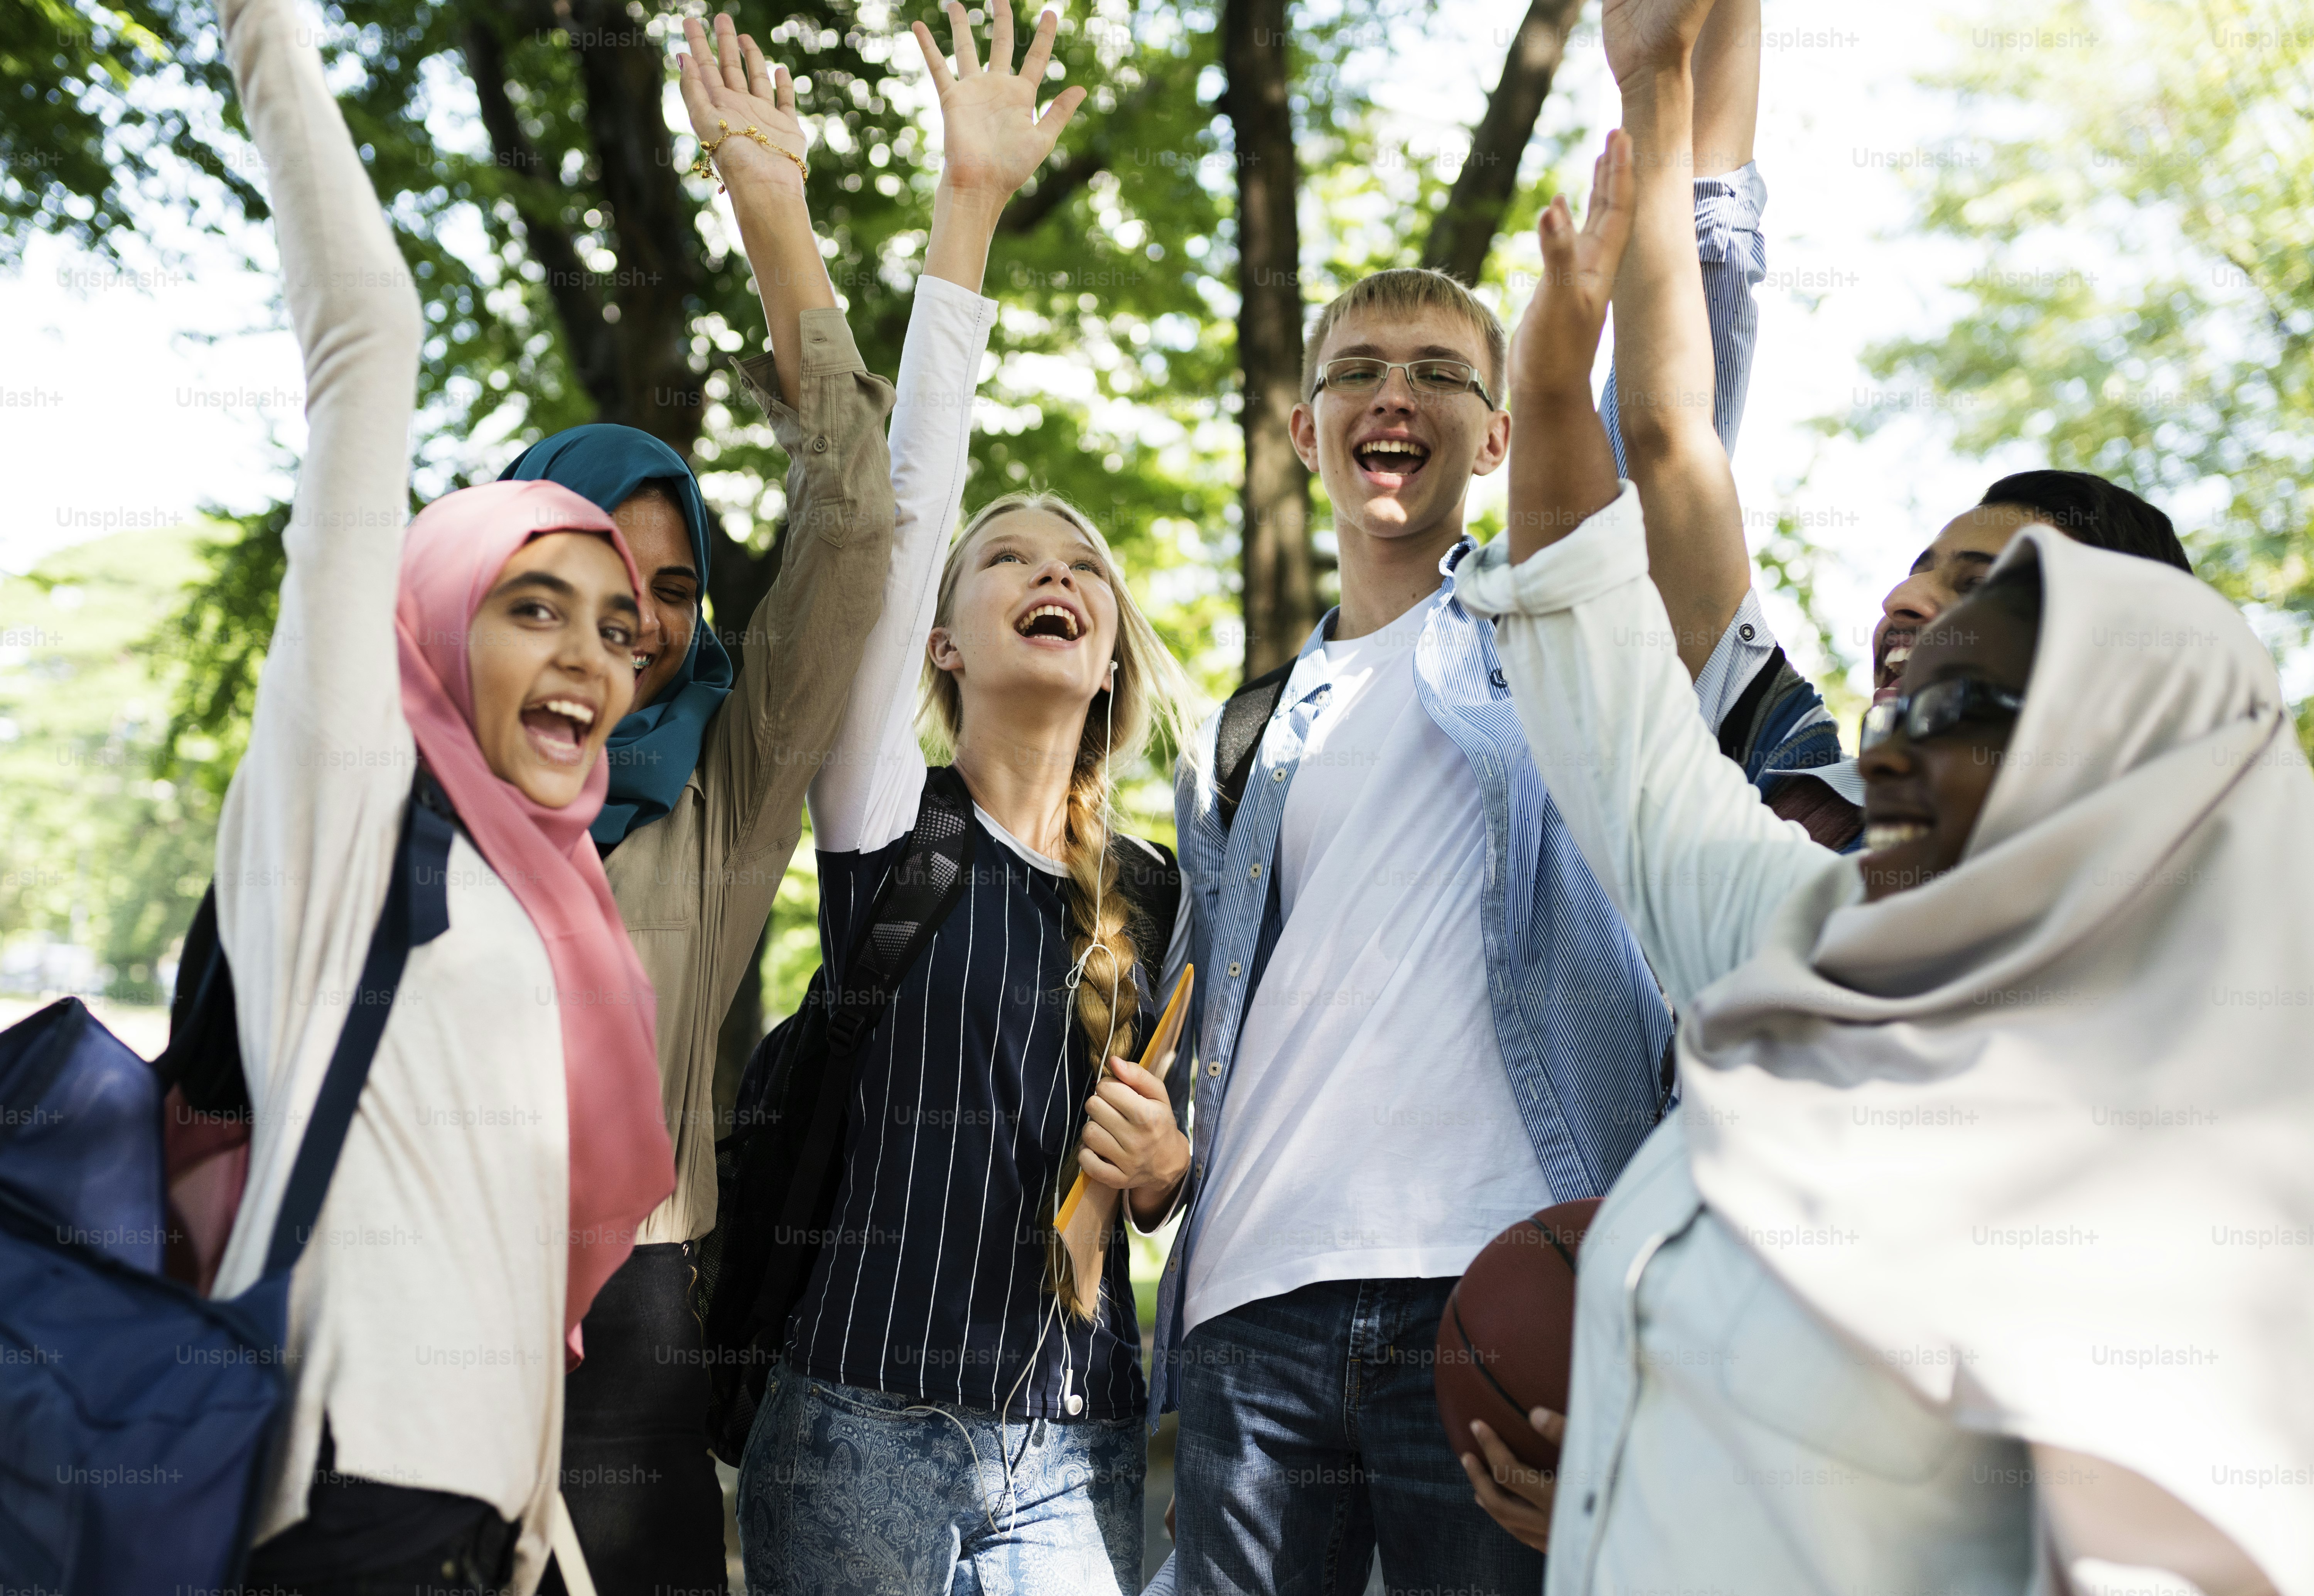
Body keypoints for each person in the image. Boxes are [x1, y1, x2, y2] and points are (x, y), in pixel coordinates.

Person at [1455, 109, 2310, 1596]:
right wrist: (1546, 363)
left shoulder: (2216, 1163)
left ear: (2135, 742)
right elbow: (1607, 693)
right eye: (1911, 679)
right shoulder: (1812, 932)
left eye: (1972, 695)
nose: (1895, 732)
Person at [1145, 3, 1766, 1591]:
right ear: (1307, 431)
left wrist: (1673, 83)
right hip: (1249, 1317)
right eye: (1357, 373)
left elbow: (1688, 392)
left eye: (1439, 373)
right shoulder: (1244, 733)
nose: (1393, 396)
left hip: (1498, 1291)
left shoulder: (1555, 640)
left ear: (1500, 435)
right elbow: (1200, 1030)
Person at [204, 0, 674, 1589]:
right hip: (349, 1497)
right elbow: (364, 343)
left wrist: (539, 1515)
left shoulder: (547, 892)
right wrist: (265, 26)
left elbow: (511, 1235)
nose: (593, 662)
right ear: (433, 616)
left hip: (489, 1526)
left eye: (617, 631)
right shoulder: (350, 807)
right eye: (532, 605)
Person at [732, 8, 1199, 1591]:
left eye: (1083, 567)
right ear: (940, 639)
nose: (1053, 573)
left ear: (1112, 646)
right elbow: (906, 482)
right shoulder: (884, 815)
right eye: (1011, 558)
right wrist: (968, 212)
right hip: (860, 1432)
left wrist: (1165, 1177)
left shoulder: (1164, 889)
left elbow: (1187, 1165)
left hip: (1076, 1455)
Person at [498, 17, 903, 1590]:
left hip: (635, 1320)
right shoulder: (420, 776)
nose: (649, 618)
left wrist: (772, 219)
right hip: (415, 1292)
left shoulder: (719, 780)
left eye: (679, 589)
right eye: (606, 566)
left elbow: (858, 527)